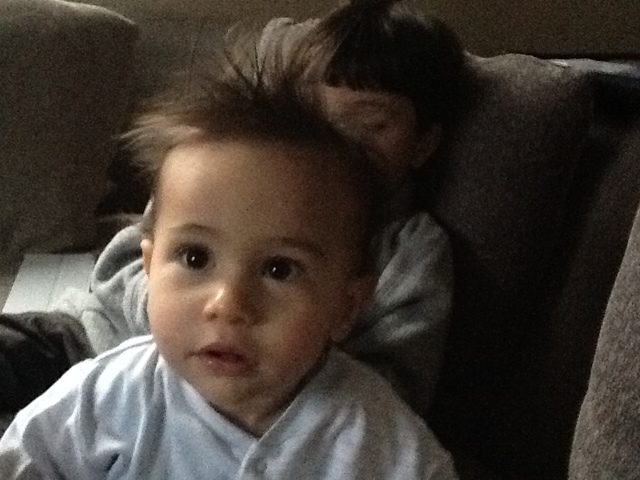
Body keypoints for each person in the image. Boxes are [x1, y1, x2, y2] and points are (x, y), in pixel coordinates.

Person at [0, 36, 459, 479]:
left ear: (346, 306)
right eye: (195, 258)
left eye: (279, 269)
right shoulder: (107, 397)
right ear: (150, 267)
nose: (228, 303)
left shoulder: (383, 446)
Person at [67, 0, 466, 420]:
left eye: (372, 125)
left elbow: (395, 391)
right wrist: (177, 321)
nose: (341, 142)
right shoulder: (232, 180)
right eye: (320, 118)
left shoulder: (411, 249)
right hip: (95, 345)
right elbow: (116, 269)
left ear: (424, 143)